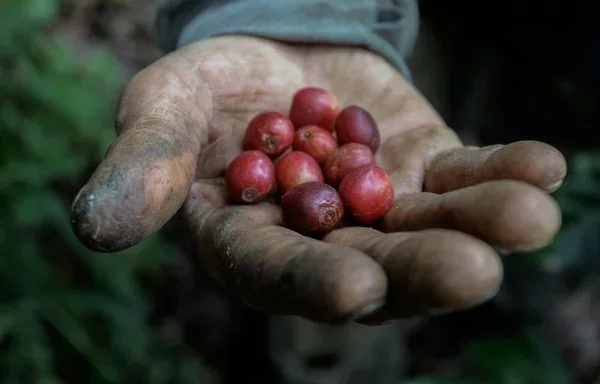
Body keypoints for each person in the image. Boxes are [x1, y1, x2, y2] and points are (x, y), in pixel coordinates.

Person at [71, 0, 567, 325]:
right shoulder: (300, 154)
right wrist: (301, 11)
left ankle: (507, 311)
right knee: (340, 290)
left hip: (563, 58)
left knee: (496, 208)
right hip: (426, 23)